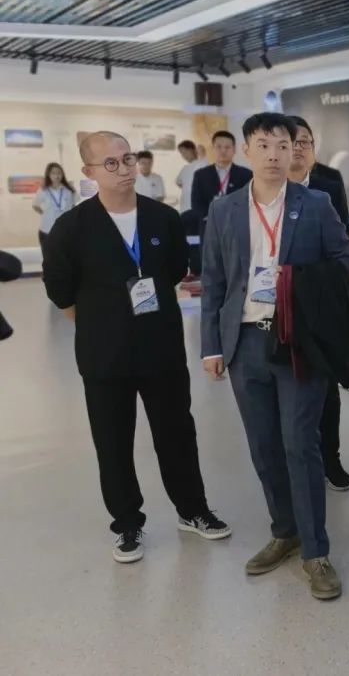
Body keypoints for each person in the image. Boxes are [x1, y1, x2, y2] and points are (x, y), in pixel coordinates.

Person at [42, 131, 229, 564]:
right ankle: (127, 522)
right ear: (88, 171)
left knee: (177, 433)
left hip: (161, 348)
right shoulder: (71, 229)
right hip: (104, 355)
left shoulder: (163, 218)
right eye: (110, 163)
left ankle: (193, 510)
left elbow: (176, 270)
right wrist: (101, 324)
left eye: (127, 159)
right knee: (112, 441)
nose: (123, 169)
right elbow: (61, 293)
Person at [200, 112, 349, 601]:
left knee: (299, 442)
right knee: (263, 444)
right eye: (263, 145)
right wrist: (211, 345)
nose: (273, 155)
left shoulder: (316, 203)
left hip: (297, 339)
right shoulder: (224, 210)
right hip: (245, 341)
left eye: (282, 145)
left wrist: (319, 293)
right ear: (246, 151)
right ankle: (284, 530)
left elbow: (344, 261)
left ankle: (316, 550)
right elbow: (214, 281)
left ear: (295, 151)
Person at [287, 115, 349, 492]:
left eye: (306, 141)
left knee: (326, 382)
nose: (299, 149)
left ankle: (330, 457)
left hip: (324, 298)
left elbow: (344, 241)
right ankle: (295, 459)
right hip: (279, 301)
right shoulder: (263, 188)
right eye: (292, 142)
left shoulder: (329, 183)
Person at [191, 131, 252, 225]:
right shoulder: (200, 175)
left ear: (234, 150)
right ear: (213, 149)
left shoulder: (246, 174)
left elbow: (249, 201)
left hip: (236, 225)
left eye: (227, 147)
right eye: (219, 147)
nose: (223, 151)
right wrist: (210, 217)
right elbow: (196, 203)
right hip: (209, 225)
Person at [33, 162, 76, 252]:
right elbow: (35, 205)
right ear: (48, 175)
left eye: (59, 173)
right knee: (49, 257)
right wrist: (45, 214)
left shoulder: (69, 190)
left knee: (66, 256)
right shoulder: (43, 190)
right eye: (53, 173)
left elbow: (73, 206)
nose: (57, 176)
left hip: (65, 230)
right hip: (47, 230)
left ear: (62, 174)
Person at [175, 139, 208, 213]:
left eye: (185, 152)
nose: (184, 156)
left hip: (197, 208)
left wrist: (202, 154)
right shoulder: (185, 168)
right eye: (182, 153)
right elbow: (178, 182)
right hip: (184, 208)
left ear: (193, 150)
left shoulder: (202, 163)